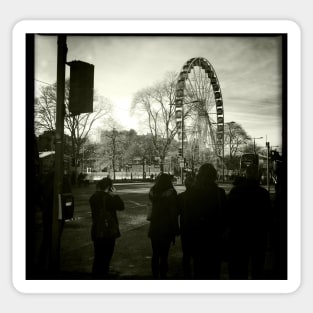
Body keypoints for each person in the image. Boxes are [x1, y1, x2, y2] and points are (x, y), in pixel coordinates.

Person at [226, 165, 271, 279]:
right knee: (257, 268)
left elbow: (228, 212)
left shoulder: (236, 191)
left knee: (239, 268)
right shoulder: (264, 193)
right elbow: (267, 216)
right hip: (258, 235)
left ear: (246, 175)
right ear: (258, 176)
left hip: (239, 234)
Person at [183, 163, 227, 279]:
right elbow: (224, 217)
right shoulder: (219, 193)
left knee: (199, 270)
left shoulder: (191, 194)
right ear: (214, 176)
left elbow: (187, 219)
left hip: (197, 239)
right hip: (214, 239)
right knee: (214, 272)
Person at [89, 177, 125, 279]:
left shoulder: (93, 197)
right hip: (108, 232)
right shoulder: (109, 198)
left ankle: (95, 277)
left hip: (96, 230)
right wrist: (116, 195)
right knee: (106, 257)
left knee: (98, 257)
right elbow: (121, 207)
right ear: (110, 187)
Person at [148, 173, 179, 279]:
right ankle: (163, 276)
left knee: (155, 254)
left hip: (154, 227)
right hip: (166, 227)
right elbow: (174, 212)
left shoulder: (153, 192)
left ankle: (155, 276)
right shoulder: (172, 193)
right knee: (164, 255)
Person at [177, 174, 194, 278]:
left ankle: (186, 274)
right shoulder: (200, 196)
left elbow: (176, 212)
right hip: (197, 227)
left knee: (186, 253)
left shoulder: (181, 197)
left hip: (185, 226)